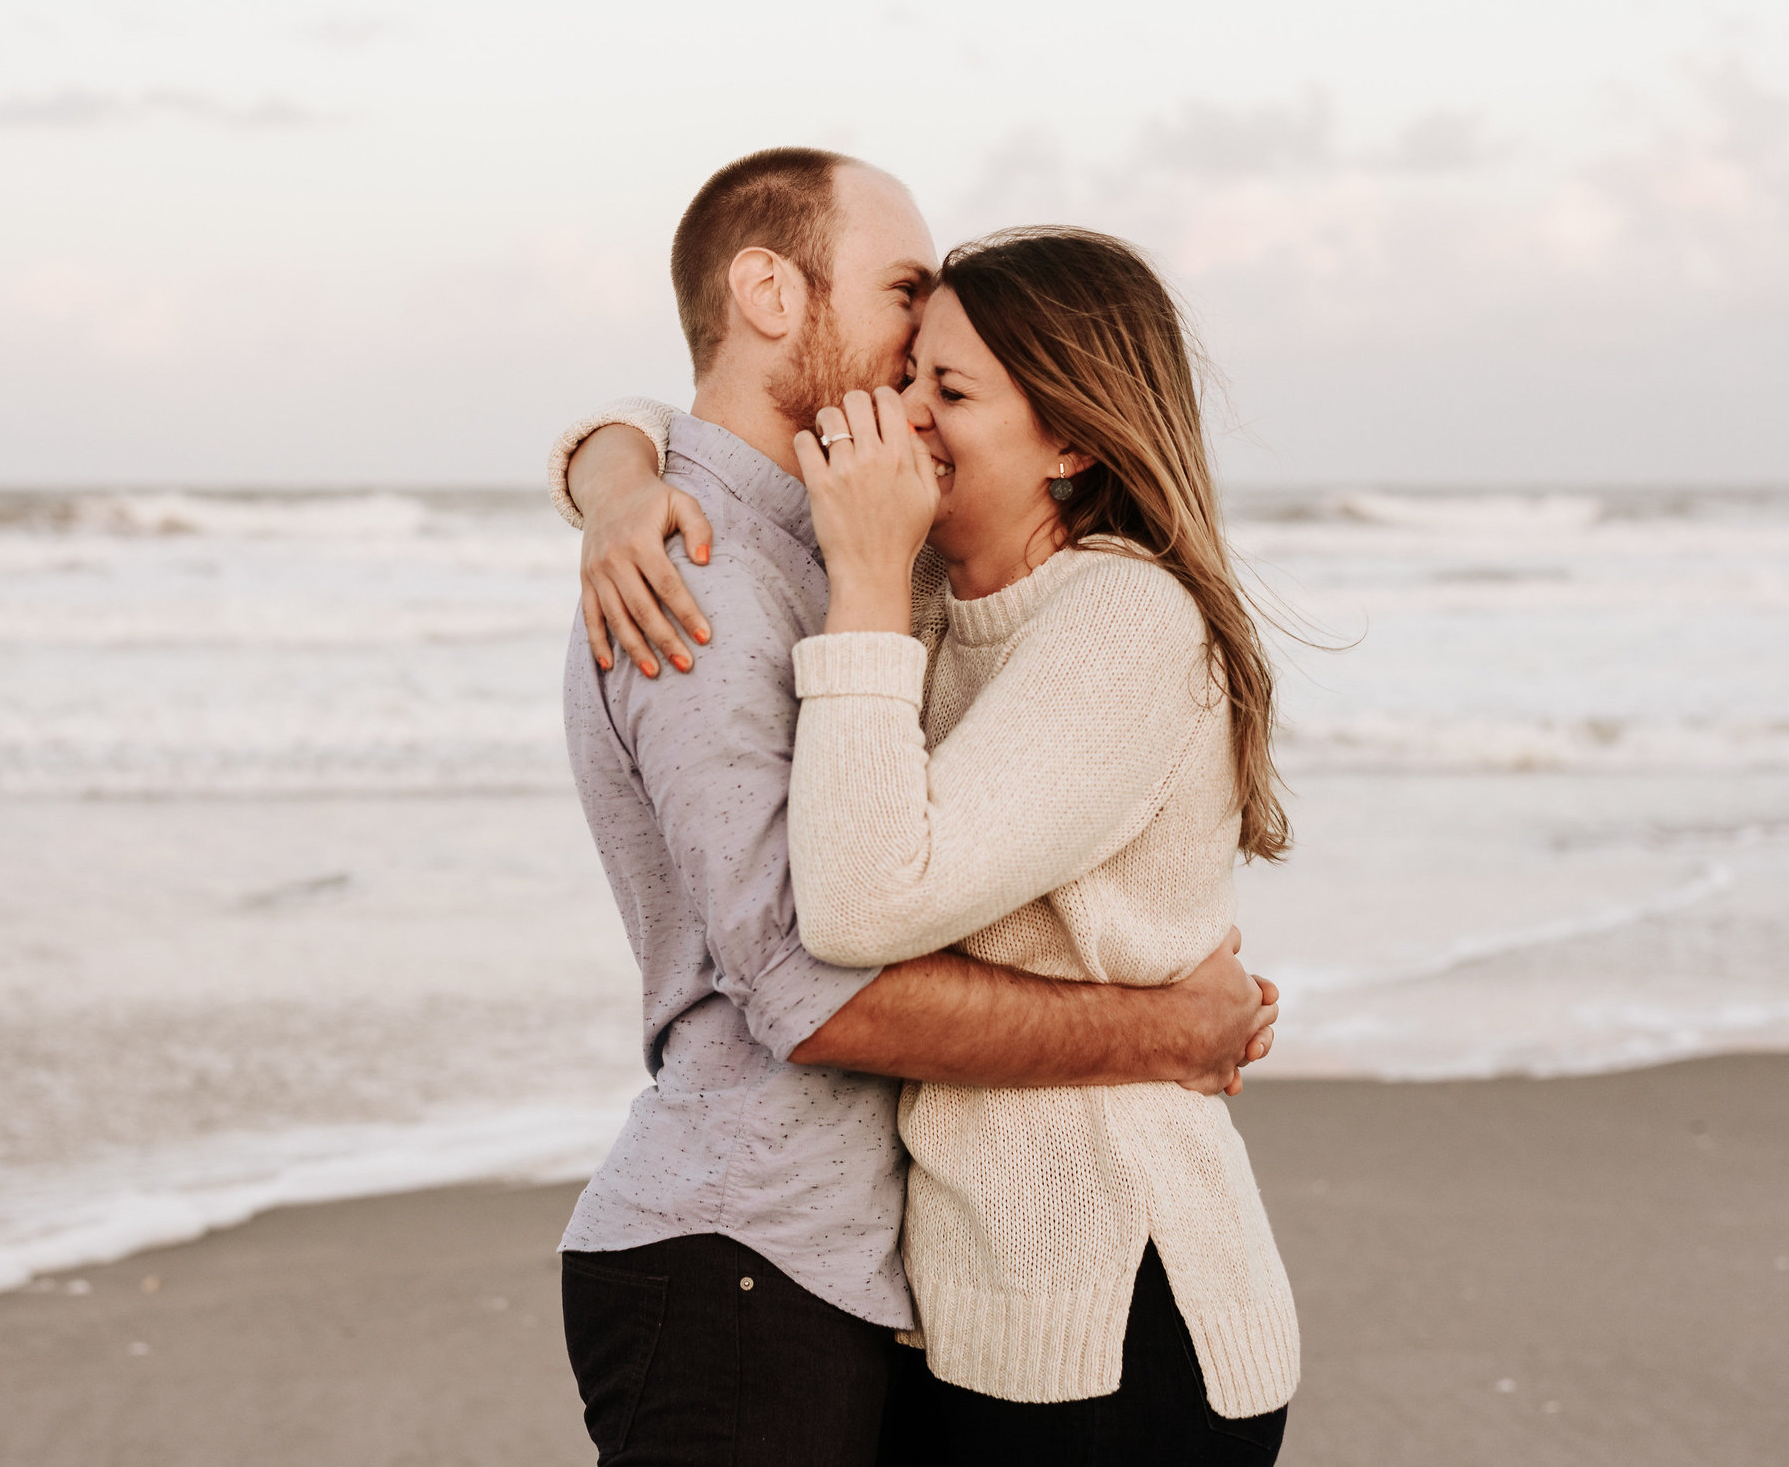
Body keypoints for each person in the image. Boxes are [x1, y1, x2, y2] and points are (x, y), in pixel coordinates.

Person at [547, 147, 1281, 1467]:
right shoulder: (703, 576)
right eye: (904, 307)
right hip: (751, 1249)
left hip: (932, 1286)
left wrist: (615, 458)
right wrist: (1161, 1026)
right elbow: (812, 984)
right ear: (770, 292)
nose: (911, 379)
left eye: (950, 380)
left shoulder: (887, 564)